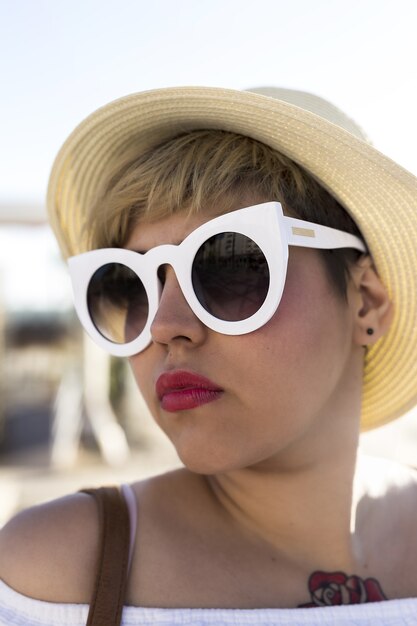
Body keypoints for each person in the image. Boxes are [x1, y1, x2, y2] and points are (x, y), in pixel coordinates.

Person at [0, 86, 417, 625]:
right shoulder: (52, 574)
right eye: (131, 284)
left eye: (232, 262)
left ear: (365, 302)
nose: (164, 325)